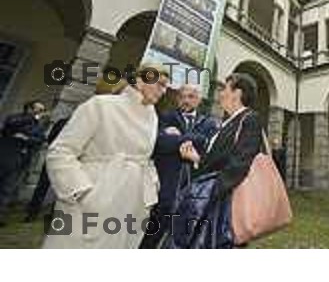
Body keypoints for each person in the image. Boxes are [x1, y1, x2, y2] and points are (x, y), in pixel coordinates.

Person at [43, 65, 169, 249]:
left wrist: (151, 187)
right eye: (160, 84)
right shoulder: (101, 105)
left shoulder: (153, 117)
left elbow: (144, 158)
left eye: (166, 87)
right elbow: (61, 151)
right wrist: (82, 191)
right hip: (91, 200)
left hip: (131, 207)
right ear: (140, 80)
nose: (163, 91)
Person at [179, 73, 264, 247]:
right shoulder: (229, 121)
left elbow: (239, 165)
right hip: (212, 203)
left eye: (225, 88)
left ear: (237, 93)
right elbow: (219, 161)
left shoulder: (250, 119)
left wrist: (208, 194)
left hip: (225, 208)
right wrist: (197, 158)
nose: (221, 93)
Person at [140, 84, 219, 249]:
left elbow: (208, 148)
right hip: (164, 188)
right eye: (182, 96)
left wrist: (179, 138)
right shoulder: (164, 117)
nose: (186, 100)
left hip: (193, 191)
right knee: (151, 237)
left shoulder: (209, 123)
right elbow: (159, 143)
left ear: (199, 99)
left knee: (182, 239)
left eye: (191, 97)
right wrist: (192, 140)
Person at [0, 101, 47, 226]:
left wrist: (26, 138)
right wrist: (31, 119)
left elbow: (40, 139)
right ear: (29, 109)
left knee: (7, 189)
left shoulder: (38, 125)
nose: (41, 113)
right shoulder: (16, 117)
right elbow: (10, 126)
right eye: (38, 109)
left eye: (42, 110)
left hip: (21, 160)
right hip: (5, 155)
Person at [24, 117, 70, 222]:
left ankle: (32, 213)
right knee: (61, 189)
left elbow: (50, 138)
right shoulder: (78, 124)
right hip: (66, 159)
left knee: (42, 186)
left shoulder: (62, 122)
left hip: (55, 156)